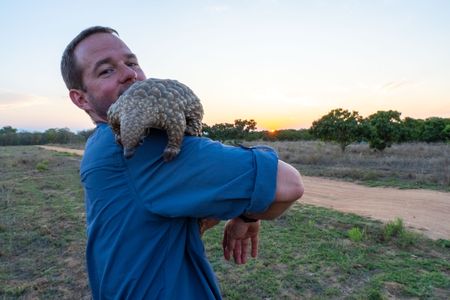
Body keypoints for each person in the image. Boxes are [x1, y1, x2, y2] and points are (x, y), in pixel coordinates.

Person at [61, 26, 304, 299]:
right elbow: (287, 184)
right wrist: (249, 213)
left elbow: (152, 217)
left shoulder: (99, 143)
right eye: (106, 70)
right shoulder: (143, 147)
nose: (130, 74)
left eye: (132, 63)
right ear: (80, 98)